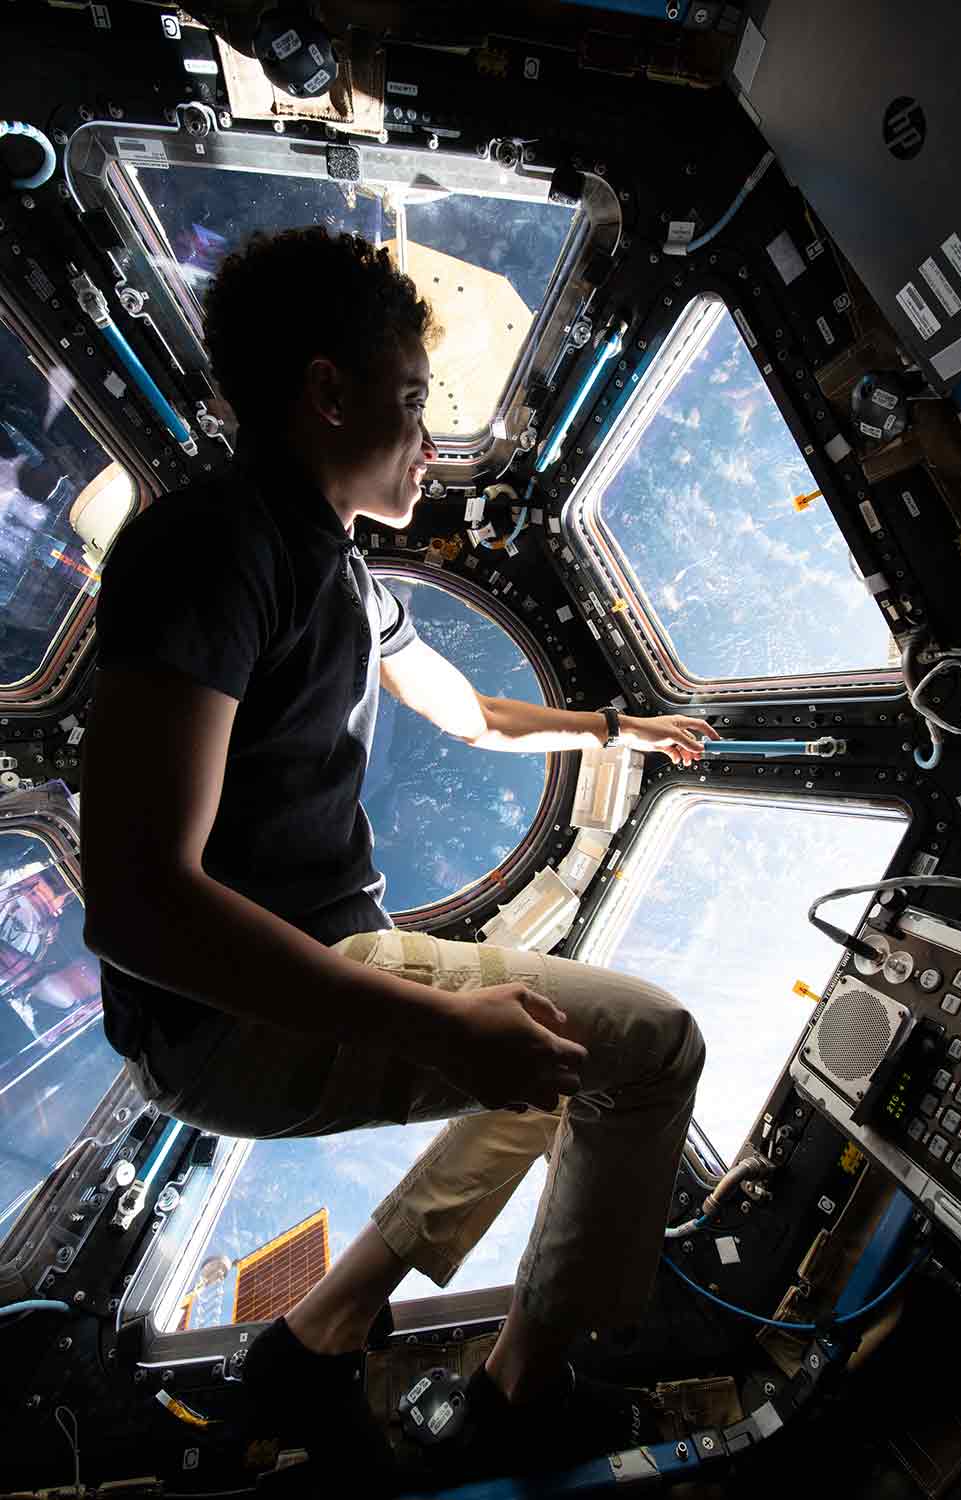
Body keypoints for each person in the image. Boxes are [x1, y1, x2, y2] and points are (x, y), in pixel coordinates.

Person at [80, 227, 712, 1489]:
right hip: (227, 1016)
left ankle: (315, 1338)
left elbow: (472, 717)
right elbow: (141, 906)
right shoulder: (217, 546)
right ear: (326, 393)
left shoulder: (347, 577)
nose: (430, 442)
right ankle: (523, 1397)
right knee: (646, 1050)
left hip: (293, 988)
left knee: (544, 1065)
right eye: (414, 403)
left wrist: (611, 725)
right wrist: (432, 1030)